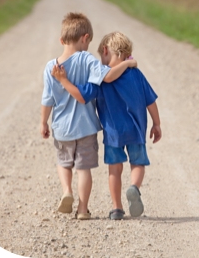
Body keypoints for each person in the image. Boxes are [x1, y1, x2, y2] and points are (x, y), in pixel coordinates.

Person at [51, 31, 162, 220]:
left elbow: (82, 95)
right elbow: (150, 101)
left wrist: (64, 80)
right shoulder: (136, 74)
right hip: (136, 130)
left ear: (104, 50)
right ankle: (134, 187)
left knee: (114, 169)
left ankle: (116, 208)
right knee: (138, 163)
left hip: (113, 134)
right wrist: (156, 124)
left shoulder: (100, 79)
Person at [41, 14, 137, 220]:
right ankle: (83, 209)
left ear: (61, 40)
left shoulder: (51, 67)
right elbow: (109, 76)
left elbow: (47, 100)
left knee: (64, 163)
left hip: (62, 127)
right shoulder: (87, 59)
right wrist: (128, 64)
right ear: (85, 38)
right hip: (86, 127)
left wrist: (43, 122)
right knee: (84, 169)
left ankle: (67, 190)